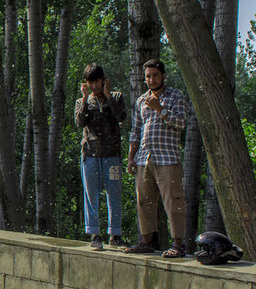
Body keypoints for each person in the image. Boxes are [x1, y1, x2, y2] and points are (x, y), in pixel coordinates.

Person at [124, 59, 188, 258]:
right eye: (148, 77)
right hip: (144, 158)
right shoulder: (141, 100)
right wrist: (131, 158)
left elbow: (181, 122)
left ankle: (178, 244)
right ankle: (146, 241)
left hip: (167, 157)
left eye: (155, 76)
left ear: (163, 76)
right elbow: (135, 131)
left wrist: (160, 108)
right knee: (143, 201)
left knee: (173, 200)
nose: (151, 80)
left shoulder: (175, 96)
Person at [75, 63, 127, 251]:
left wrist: (108, 96)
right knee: (91, 195)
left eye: (98, 82)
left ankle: (115, 234)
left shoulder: (116, 97)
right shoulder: (83, 101)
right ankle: (94, 234)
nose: (95, 86)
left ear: (104, 80)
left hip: (112, 155)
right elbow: (80, 122)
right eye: (91, 83)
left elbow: (121, 116)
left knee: (114, 194)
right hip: (90, 154)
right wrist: (84, 98)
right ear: (87, 83)